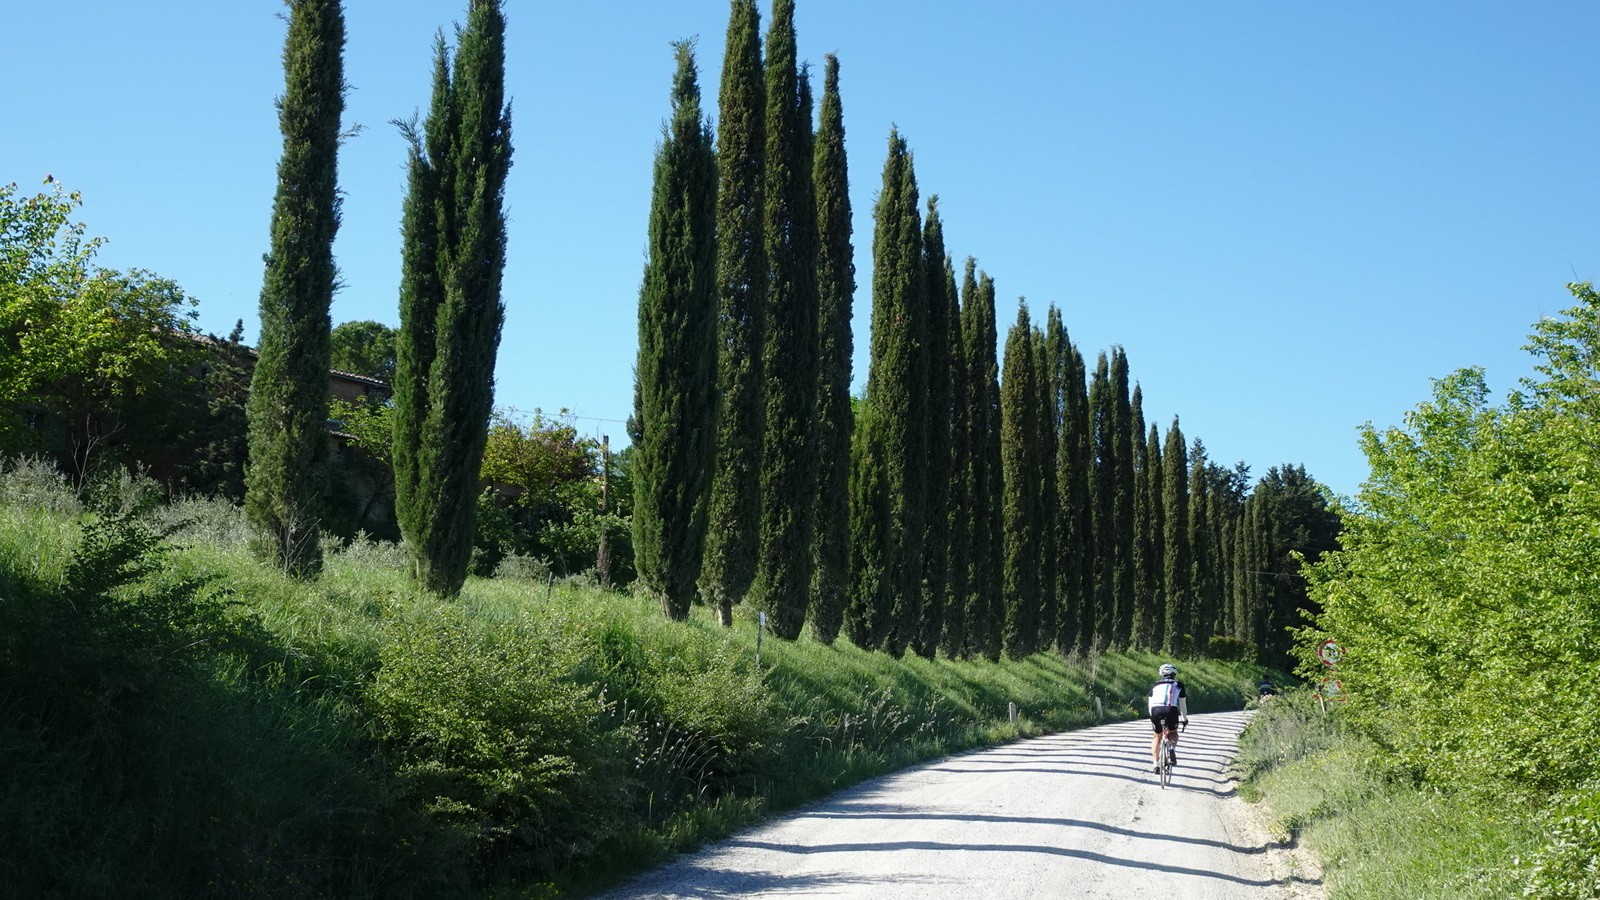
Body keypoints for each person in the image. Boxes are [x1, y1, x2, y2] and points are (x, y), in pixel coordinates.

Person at [1148, 663, 1188, 773]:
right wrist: (1184, 719)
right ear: (1174, 674)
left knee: (1157, 736)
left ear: (1162, 674)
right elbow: (1183, 704)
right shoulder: (1179, 685)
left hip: (1155, 710)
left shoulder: (1154, 685)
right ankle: (1171, 750)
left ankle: (1155, 765)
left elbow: (1150, 704)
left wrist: (1152, 717)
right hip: (1171, 710)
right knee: (1173, 733)